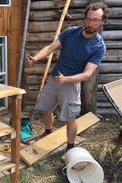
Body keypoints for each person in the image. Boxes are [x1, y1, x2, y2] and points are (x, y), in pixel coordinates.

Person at [26, 1, 109, 153]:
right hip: (54, 78)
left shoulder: (98, 46)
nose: (91, 23)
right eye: (89, 18)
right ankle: (48, 131)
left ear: (103, 21)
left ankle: (70, 147)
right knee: (45, 107)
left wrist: (66, 80)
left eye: (96, 20)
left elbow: (87, 74)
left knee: (68, 118)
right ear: (85, 18)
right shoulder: (70, 32)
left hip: (71, 84)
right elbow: (51, 47)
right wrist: (36, 58)